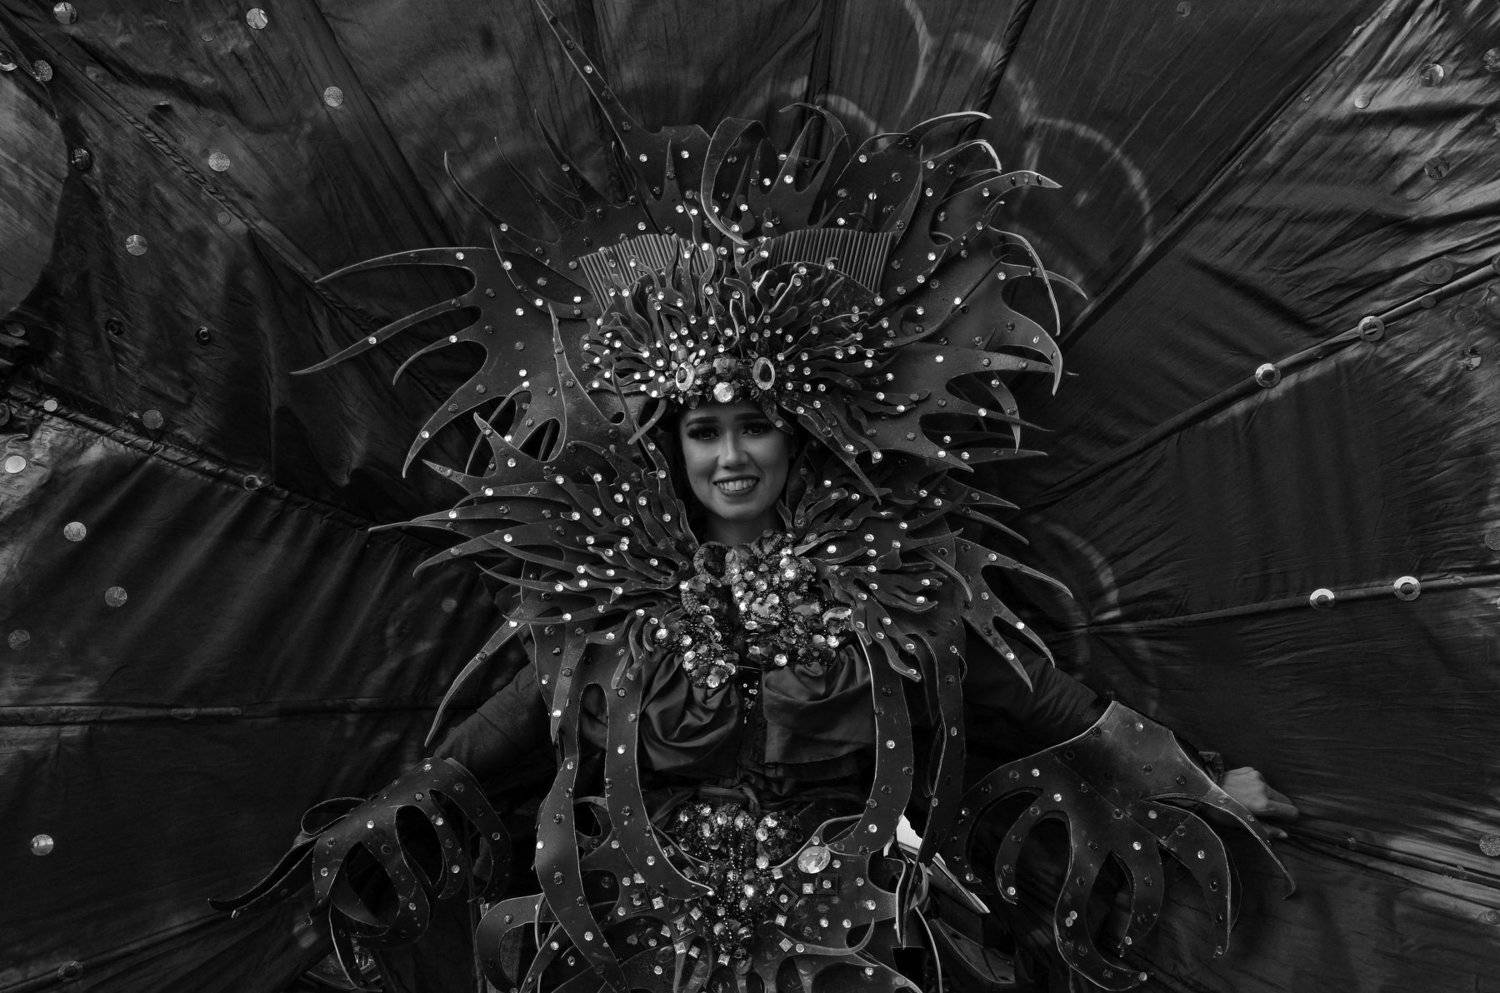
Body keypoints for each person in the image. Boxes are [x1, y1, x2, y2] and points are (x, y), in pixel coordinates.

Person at [216, 12, 1295, 990]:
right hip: (639, 946)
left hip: (855, 943)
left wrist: (1200, 785)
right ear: (670, 445)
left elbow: (1047, 704)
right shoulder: (603, 593)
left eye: (755, 425)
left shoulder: (899, 576)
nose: (732, 453)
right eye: (705, 430)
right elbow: (496, 741)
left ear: (797, 435)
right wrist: (382, 822)